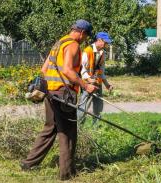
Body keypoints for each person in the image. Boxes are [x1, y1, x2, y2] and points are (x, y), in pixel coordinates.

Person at [20, 19, 97, 181]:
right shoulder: (74, 45)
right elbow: (68, 70)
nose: (85, 40)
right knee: (68, 133)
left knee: (50, 128)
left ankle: (28, 163)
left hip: (50, 92)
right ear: (82, 32)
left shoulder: (59, 43)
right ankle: (67, 173)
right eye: (86, 36)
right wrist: (85, 85)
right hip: (64, 94)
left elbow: (44, 69)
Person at [77, 32, 113, 125]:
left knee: (98, 107)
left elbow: (102, 71)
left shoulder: (103, 53)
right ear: (99, 40)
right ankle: (78, 128)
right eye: (105, 42)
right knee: (83, 107)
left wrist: (107, 84)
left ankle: (96, 128)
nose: (107, 44)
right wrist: (88, 79)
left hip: (97, 83)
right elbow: (82, 68)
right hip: (87, 84)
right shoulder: (87, 51)